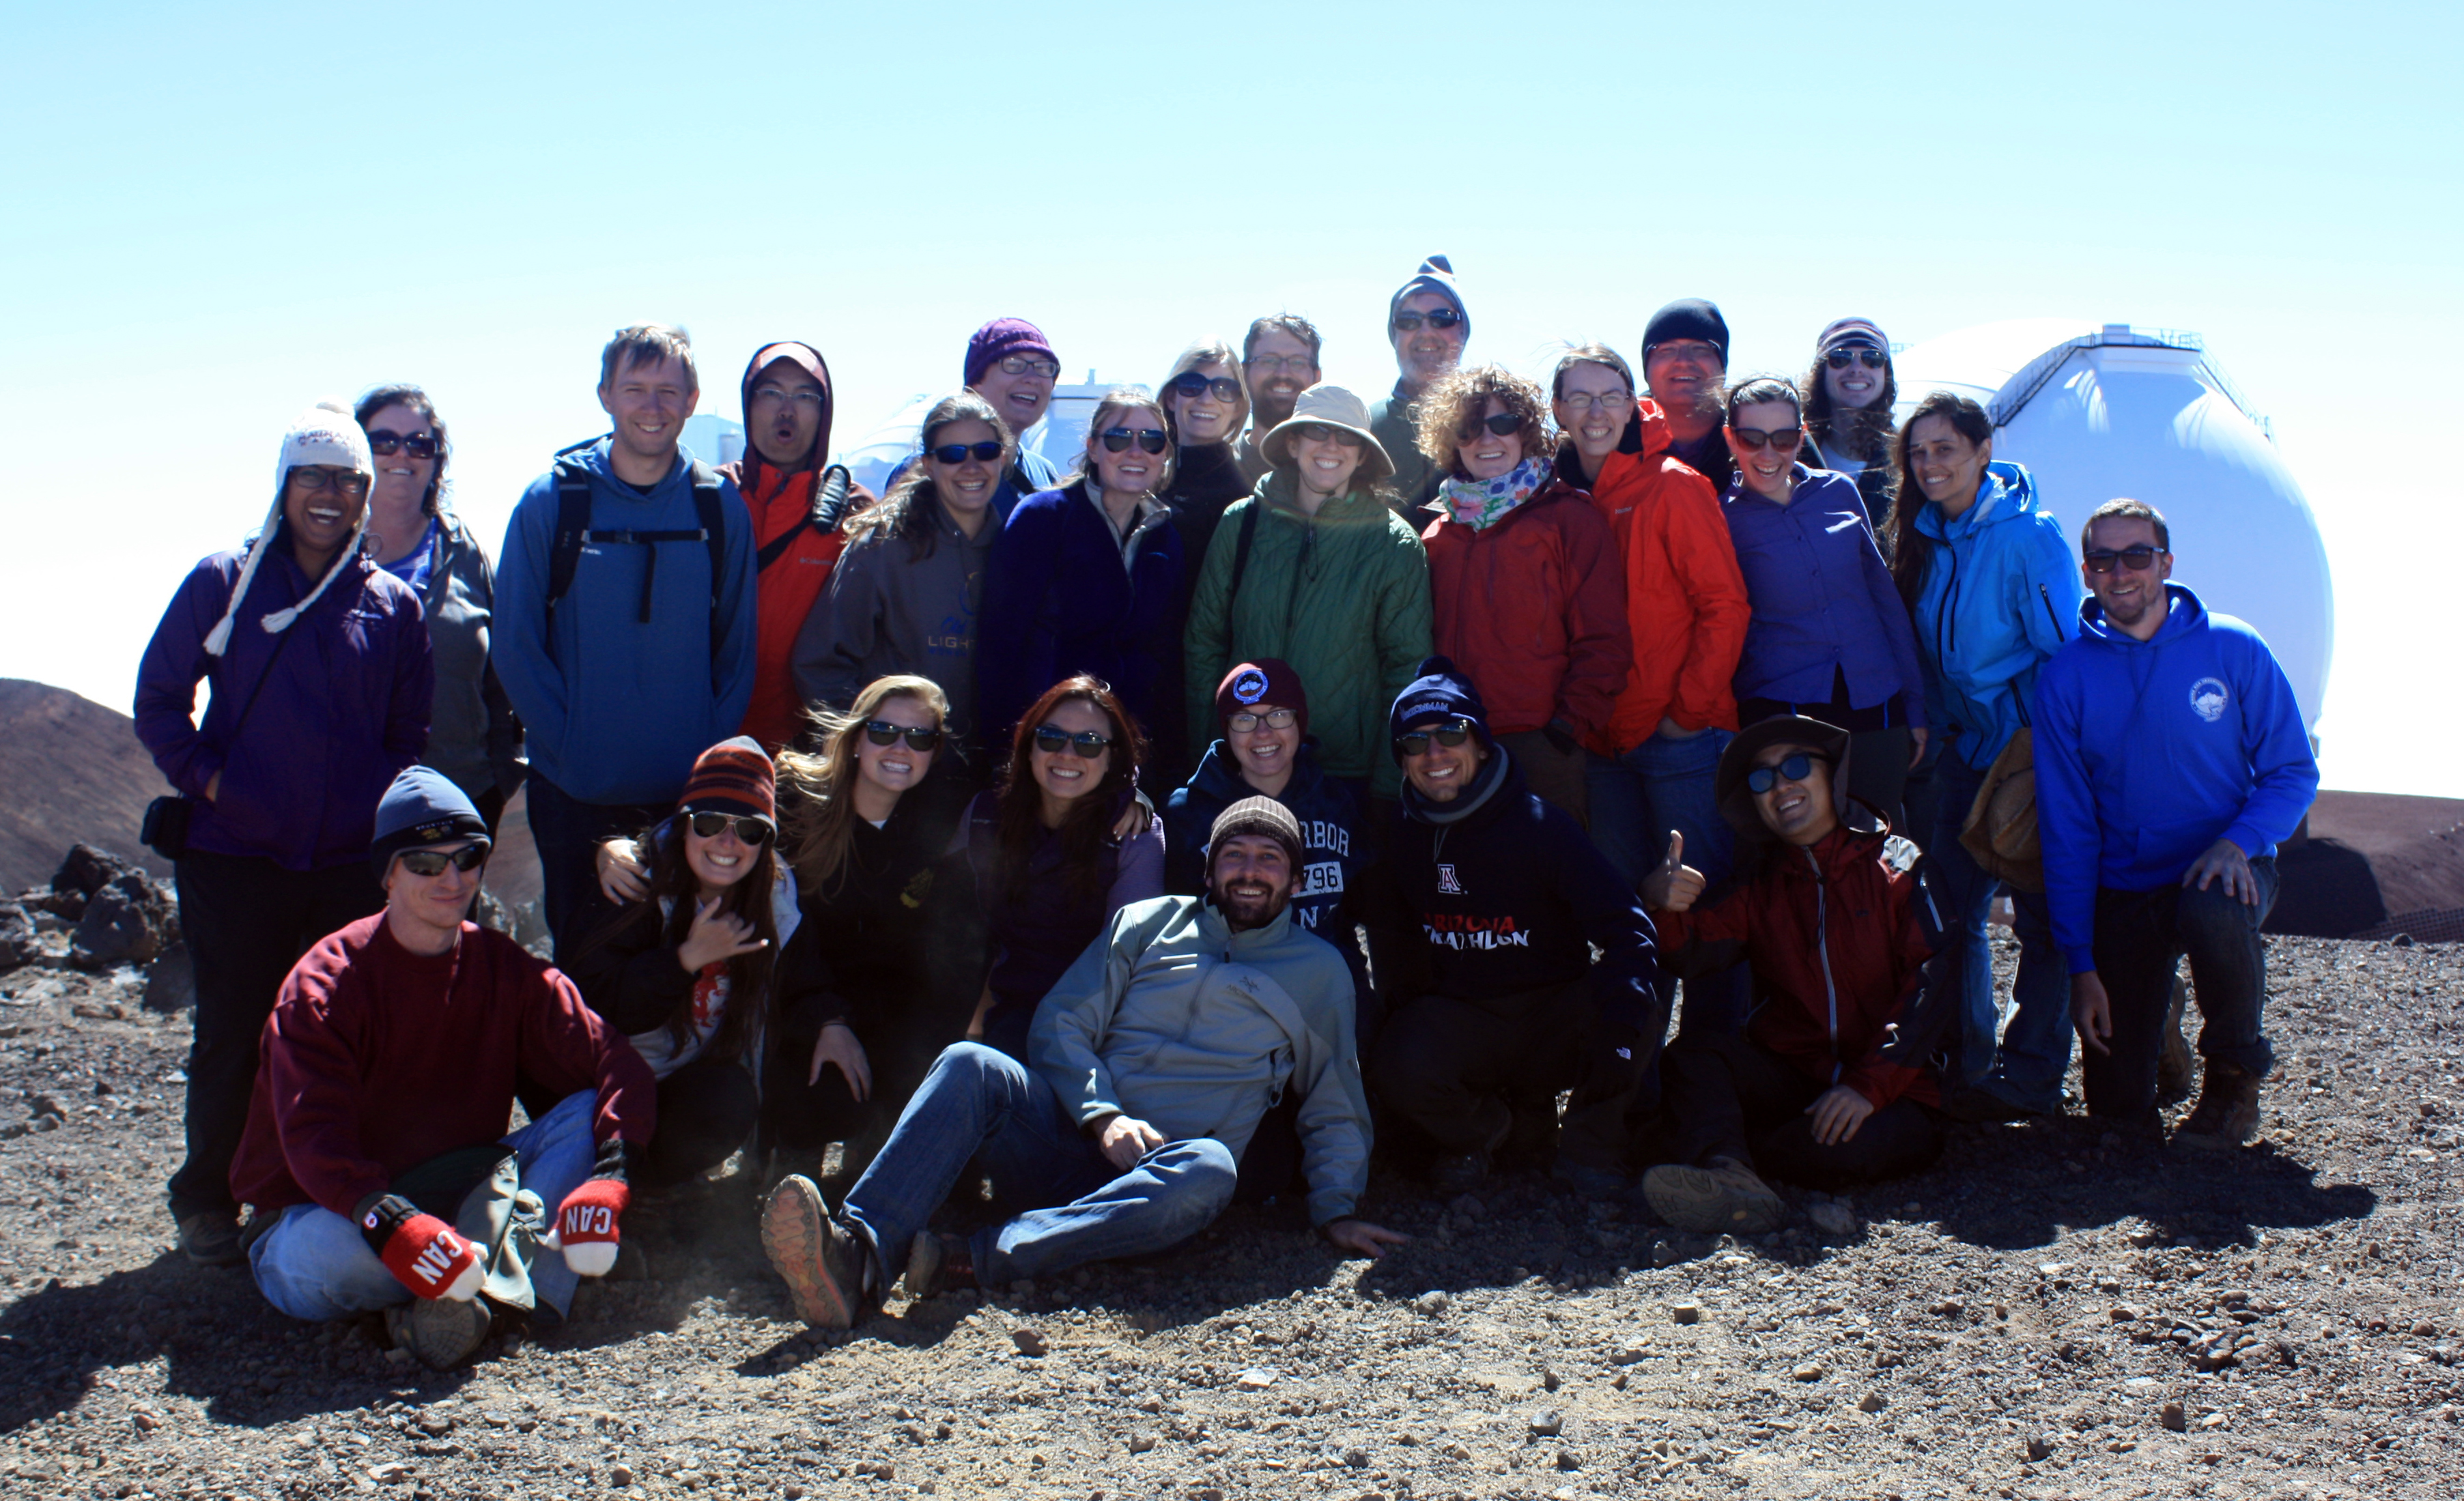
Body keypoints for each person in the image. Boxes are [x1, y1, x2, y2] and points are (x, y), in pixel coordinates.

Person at [759, 797, 1404, 1326]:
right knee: (969, 1062)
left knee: (1212, 1168)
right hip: (1066, 1144)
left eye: (1269, 858)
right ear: (1207, 870)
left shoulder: (1318, 971)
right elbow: (1061, 1023)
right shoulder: (1147, 925)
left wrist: (1336, 1209)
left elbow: (1333, 1098)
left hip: (1163, 1182)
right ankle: (858, 1254)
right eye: (1233, 854)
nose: (1249, 869)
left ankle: (972, 1259)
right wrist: (1101, 1116)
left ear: (1294, 880)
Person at [134, 399, 434, 1267]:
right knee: (233, 1030)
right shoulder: (223, 583)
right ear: (283, 485)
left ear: (367, 492)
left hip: (343, 865)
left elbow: (406, 737)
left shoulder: (393, 607)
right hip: (235, 858)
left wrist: (370, 815)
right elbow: (159, 702)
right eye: (313, 475)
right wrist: (214, 782)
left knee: (339, 1032)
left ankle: (319, 1186)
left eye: (348, 479)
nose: (330, 495)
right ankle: (207, 1199)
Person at [231, 769, 654, 1369]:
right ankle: (509, 1284)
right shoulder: (324, 986)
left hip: (460, 1194)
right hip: (331, 1212)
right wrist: (393, 1223)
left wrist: (611, 1175)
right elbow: (311, 1139)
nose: (452, 879)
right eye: (426, 863)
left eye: (468, 857)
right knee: (333, 1255)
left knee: (587, 1114)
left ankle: (460, 1298)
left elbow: (614, 1060)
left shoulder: (502, 966)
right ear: (388, 873)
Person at [593, 678, 982, 1173]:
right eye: (884, 730)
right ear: (857, 737)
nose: (900, 747)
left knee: (903, 1057)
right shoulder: (795, 801)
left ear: (935, 751)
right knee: (806, 1093)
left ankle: (878, 1160)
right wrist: (618, 848)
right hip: (780, 994)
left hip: (858, 1000)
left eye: (919, 737)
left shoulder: (936, 822)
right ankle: (785, 1158)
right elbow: (711, 816)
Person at [2035, 500, 2319, 1146]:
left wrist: (2237, 843)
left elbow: (2292, 771)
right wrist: (2082, 965)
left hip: (2225, 868)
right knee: (2115, 1115)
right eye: (2103, 559)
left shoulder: (2233, 647)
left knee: (2214, 903)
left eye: (2137, 555)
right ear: (2086, 571)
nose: (2121, 571)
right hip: (2126, 888)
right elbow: (2068, 828)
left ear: (2165, 562)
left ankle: (2231, 1080)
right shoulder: (2066, 677)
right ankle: (2159, 1021)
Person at [494, 324, 757, 956]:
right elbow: (515, 645)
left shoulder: (718, 507)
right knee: (585, 980)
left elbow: (737, 648)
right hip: (573, 796)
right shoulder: (552, 501)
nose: (652, 406)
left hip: (684, 800)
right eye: (635, 389)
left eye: (669, 390)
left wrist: (704, 749)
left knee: (681, 972)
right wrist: (571, 747)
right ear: (604, 395)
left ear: (693, 399)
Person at [1363, 659, 1664, 1196]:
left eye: (1451, 733)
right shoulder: (1403, 835)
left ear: (1479, 742)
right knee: (1396, 1060)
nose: (1435, 754)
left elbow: (1627, 930)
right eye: (1414, 742)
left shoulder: (1542, 827)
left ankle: (1587, 1147)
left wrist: (1617, 1037)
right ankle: (1488, 1131)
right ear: (1402, 760)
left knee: (1639, 1005)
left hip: (1555, 1011)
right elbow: (1394, 934)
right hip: (1469, 1017)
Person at [1638, 719, 1949, 1231]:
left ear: (1834, 777)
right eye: (1761, 780)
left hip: (1893, 1091)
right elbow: (1691, 951)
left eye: (1796, 766)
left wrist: (1867, 1086)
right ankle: (1729, 1170)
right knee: (1695, 1055)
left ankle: (1725, 1156)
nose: (1780, 785)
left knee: (1855, 1147)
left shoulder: (1901, 867)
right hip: (1795, 1077)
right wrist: (1659, 903)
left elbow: (1931, 988)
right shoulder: (1763, 882)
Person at [1553, 345, 1753, 1037]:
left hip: (1680, 741)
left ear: (1634, 402)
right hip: (1604, 744)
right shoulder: (1560, 497)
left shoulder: (1673, 485)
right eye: (1579, 397)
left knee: (1701, 915)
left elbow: (1724, 607)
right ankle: (1636, 1085)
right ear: (1558, 410)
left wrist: (1685, 715)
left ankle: (1713, 1094)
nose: (1595, 411)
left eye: (1609, 395)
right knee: (1626, 916)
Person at [1891, 392, 2081, 1117]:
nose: (1930, 464)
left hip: (2032, 755)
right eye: (1919, 451)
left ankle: (2032, 1074)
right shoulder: (1927, 534)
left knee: (2042, 920)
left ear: (1982, 452)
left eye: (1945, 448)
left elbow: (2063, 653)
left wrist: (2055, 757)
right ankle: (1972, 1067)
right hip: (1963, 753)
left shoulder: (2029, 537)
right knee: (1952, 913)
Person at [1183, 384, 1432, 812]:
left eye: (1348, 436)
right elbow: (1204, 643)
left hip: (1344, 774)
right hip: (1244, 761)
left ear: (1363, 454)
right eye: (1317, 431)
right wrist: (1208, 752)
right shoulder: (1241, 523)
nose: (1332, 445)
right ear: (1293, 442)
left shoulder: (1396, 544)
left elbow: (1406, 670)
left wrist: (1388, 787)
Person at [565, 738, 793, 1195]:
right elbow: (595, 1010)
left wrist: (831, 1021)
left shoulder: (775, 899)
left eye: (748, 829)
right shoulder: (634, 884)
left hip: (678, 1086)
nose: (727, 842)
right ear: (684, 825)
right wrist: (685, 959)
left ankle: (645, 1184)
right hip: (599, 1089)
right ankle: (613, 1183)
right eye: (709, 822)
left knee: (729, 1096)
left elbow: (795, 989)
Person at [1415, 364, 1628, 825]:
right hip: (1455, 745)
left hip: (1542, 745)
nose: (1486, 438)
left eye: (1502, 424)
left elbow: (1604, 640)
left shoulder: (1569, 518)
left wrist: (1564, 731)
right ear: (1451, 439)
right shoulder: (1436, 534)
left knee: (1548, 888)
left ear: (1525, 431)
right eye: (1469, 428)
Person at [1720, 376, 1928, 820]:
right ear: (1729, 438)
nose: (1768, 453)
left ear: (1802, 435)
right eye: (1751, 438)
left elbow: (1882, 600)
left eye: (1783, 438)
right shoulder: (1720, 518)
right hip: (1784, 709)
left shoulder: (1838, 490)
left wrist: (1913, 702)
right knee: (1805, 854)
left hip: (1876, 698)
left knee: (1881, 846)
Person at [793, 392, 1012, 764]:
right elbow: (820, 664)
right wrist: (876, 746)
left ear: (1002, 458)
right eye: (953, 454)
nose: (971, 466)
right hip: (897, 775)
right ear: (928, 464)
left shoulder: (1017, 547)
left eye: (986, 451)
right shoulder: (881, 547)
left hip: (987, 777)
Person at [963, 676, 1165, 1060]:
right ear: (1029, 746)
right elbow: (955, 931)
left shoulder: (1134, 833)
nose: (1069, 754)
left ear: (1112, 758)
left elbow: (1121, 964)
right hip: (995, 1008)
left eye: (1089, 743)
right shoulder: (985, 815)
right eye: (1052, 738)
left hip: (1087, 1029)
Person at [976, 386, 1185, 753]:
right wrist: (1004, 754)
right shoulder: (1043, 519)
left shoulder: (1166, 538)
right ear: (1093, 447)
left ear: (1164, 453)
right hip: (1045, 741)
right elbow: (1002, 645)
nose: (1136, 451)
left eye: (1152, 440)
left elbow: (1161, 657)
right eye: (1119, 438)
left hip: (1120, 745)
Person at [354, 385, 524, 828]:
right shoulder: (322, 554)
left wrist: (500, 781)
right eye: (384, 441)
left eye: (420, 444)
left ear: (437, 459)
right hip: (343, 809)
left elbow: (503, 681)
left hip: (457, 805)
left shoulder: (468, 555)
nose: (402, 455)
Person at [722, 341, 873, 753]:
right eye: (771, 393)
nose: (787, 410)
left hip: (806, 754)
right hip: (704, 740)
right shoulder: (709, 495)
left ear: (824, 414)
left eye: (806, 397)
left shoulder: (855, 509)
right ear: (748, 404)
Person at [1368, 256, 1470, 515]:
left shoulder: (1499, 428)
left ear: (1462, 332)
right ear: (1395, 336)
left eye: (1442, 318)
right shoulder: (1362, 428)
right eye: (1409, 320)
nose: (1426, 331)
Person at [1800, 319, 1898, 539]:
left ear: (1886, 374)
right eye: (1840, 358)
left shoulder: (1907, 457)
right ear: (1821, 372)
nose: (1856, 369)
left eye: (1872, 359)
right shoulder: (1791, 453)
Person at [961, 317, 1064, 511]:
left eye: (1043, 368)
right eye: (1014, 365)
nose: (1032, 379)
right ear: (977, 383)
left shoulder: (1044, 474)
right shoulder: (939, 467)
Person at [1642, 300, 1734, 494]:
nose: (1683, 361)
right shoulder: (1615, 435)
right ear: (1646, 368)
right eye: (1667, 350)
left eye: (1700, 349)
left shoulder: (1762, 433)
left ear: (1722, 367)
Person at [1234, 315, 1323, 485]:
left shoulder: (1336, 472)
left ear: (1316, 377)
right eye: (1269, 361)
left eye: (1298, 362)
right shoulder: (1219, 468)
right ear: (1244, 373)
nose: (1283, 373)